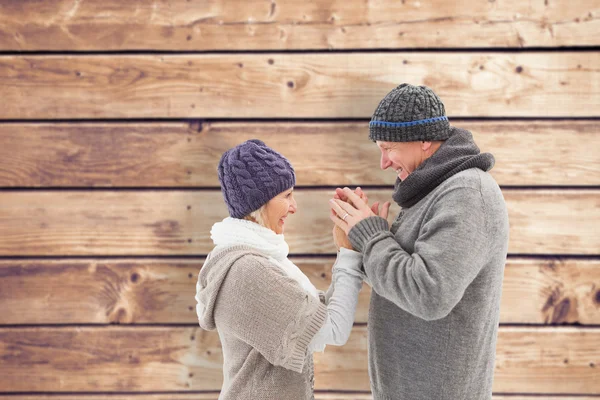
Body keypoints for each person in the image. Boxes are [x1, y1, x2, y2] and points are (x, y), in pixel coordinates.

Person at [329, 84, 510, 400]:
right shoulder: (431, 190)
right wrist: (360, 242)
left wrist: (373, 237)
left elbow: (429, 294)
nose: (384, 162)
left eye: (389, 148)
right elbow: (403, 280)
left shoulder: (466, 194)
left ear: (425, 140)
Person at [195, 139, 365, 400]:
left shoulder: (259, 259)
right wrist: (349, 254)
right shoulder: (248, 272)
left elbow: (319, 316)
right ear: (259, 203)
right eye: (286, 196)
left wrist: (350, 247)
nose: (294, 206)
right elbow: (333, 330)